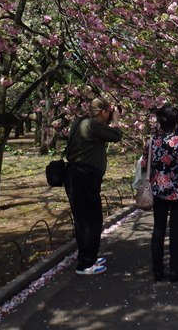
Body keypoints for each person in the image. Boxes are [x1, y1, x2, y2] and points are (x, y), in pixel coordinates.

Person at [64, 97, 123, 275]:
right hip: (84, 177)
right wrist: (117, 120)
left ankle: (88, 256)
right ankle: (85, 264)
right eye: (108, 113)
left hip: (75, 175)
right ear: (103, 112)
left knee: (83, 219)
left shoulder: (80, 122)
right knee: (91, 219)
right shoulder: (93, 125)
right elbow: (116, 135)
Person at [141, 104, 178, 282]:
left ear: (160, 121)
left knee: (158, 228)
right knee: (176, 230)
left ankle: (158, 270)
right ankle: (175, 269)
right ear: (175, 121)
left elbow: (143, 165)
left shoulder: (151, 142)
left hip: (158, 190)